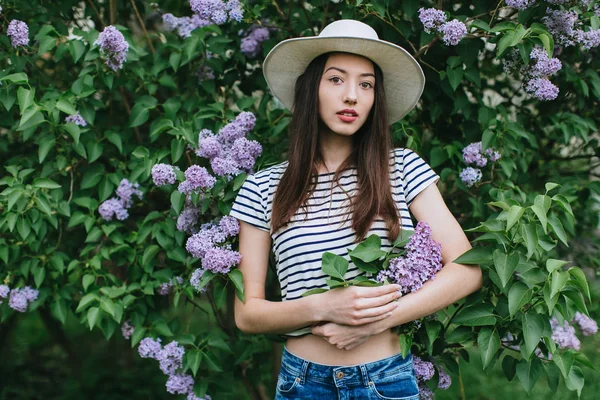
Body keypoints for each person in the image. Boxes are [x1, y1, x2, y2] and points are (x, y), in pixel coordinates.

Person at [229, 19, 482, 399]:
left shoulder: (401, 168)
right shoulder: (262, 187)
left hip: (385, 382)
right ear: (310, 87)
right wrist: (323, 306)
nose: (352, 96)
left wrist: (375, 320)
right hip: (302, 384)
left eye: (366, 84)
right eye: (336, 79)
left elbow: (467, 268)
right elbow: (248, 314)